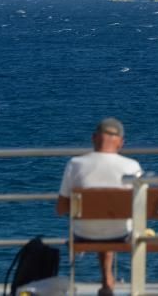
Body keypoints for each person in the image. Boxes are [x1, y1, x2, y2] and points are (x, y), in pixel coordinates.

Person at [56, 117, 142, 296]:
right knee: (110, 223)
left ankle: (106, 280)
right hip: (121, 234)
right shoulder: (132, 166)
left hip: (83, 233)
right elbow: (140, 207)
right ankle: (108, 282)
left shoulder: (75, 164)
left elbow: (61, 208)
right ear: (120, 142)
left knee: (99, 223)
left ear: (94, 138)